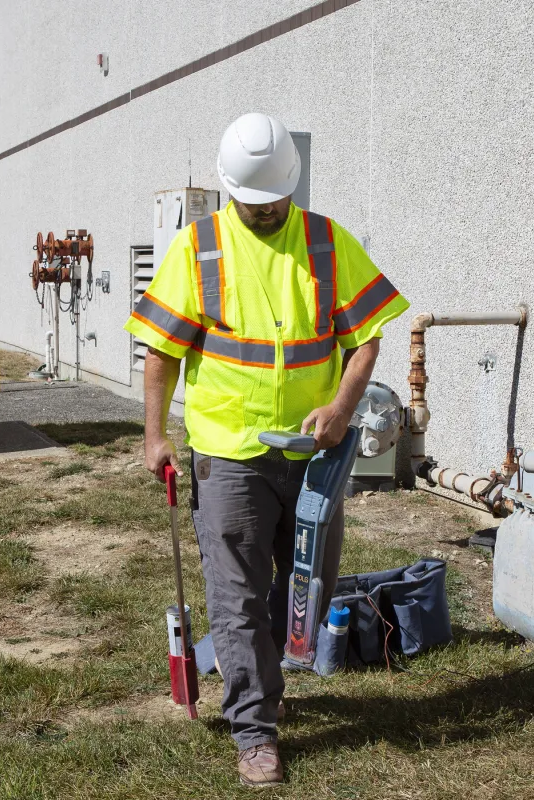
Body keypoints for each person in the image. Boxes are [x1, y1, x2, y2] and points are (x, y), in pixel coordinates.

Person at [123, 112, 410, 787]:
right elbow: (162, 349)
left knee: (308, 588)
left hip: (315, 454)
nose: (267, 210)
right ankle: (255, 729)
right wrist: (156, 434)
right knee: (237, 595)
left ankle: (262, 674)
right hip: (228, 452)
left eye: (276, 199)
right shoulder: (199, 249)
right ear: (230, 192)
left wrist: (342, 408)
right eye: (254, 202)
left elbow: (367, 334)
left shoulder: (326, 242)